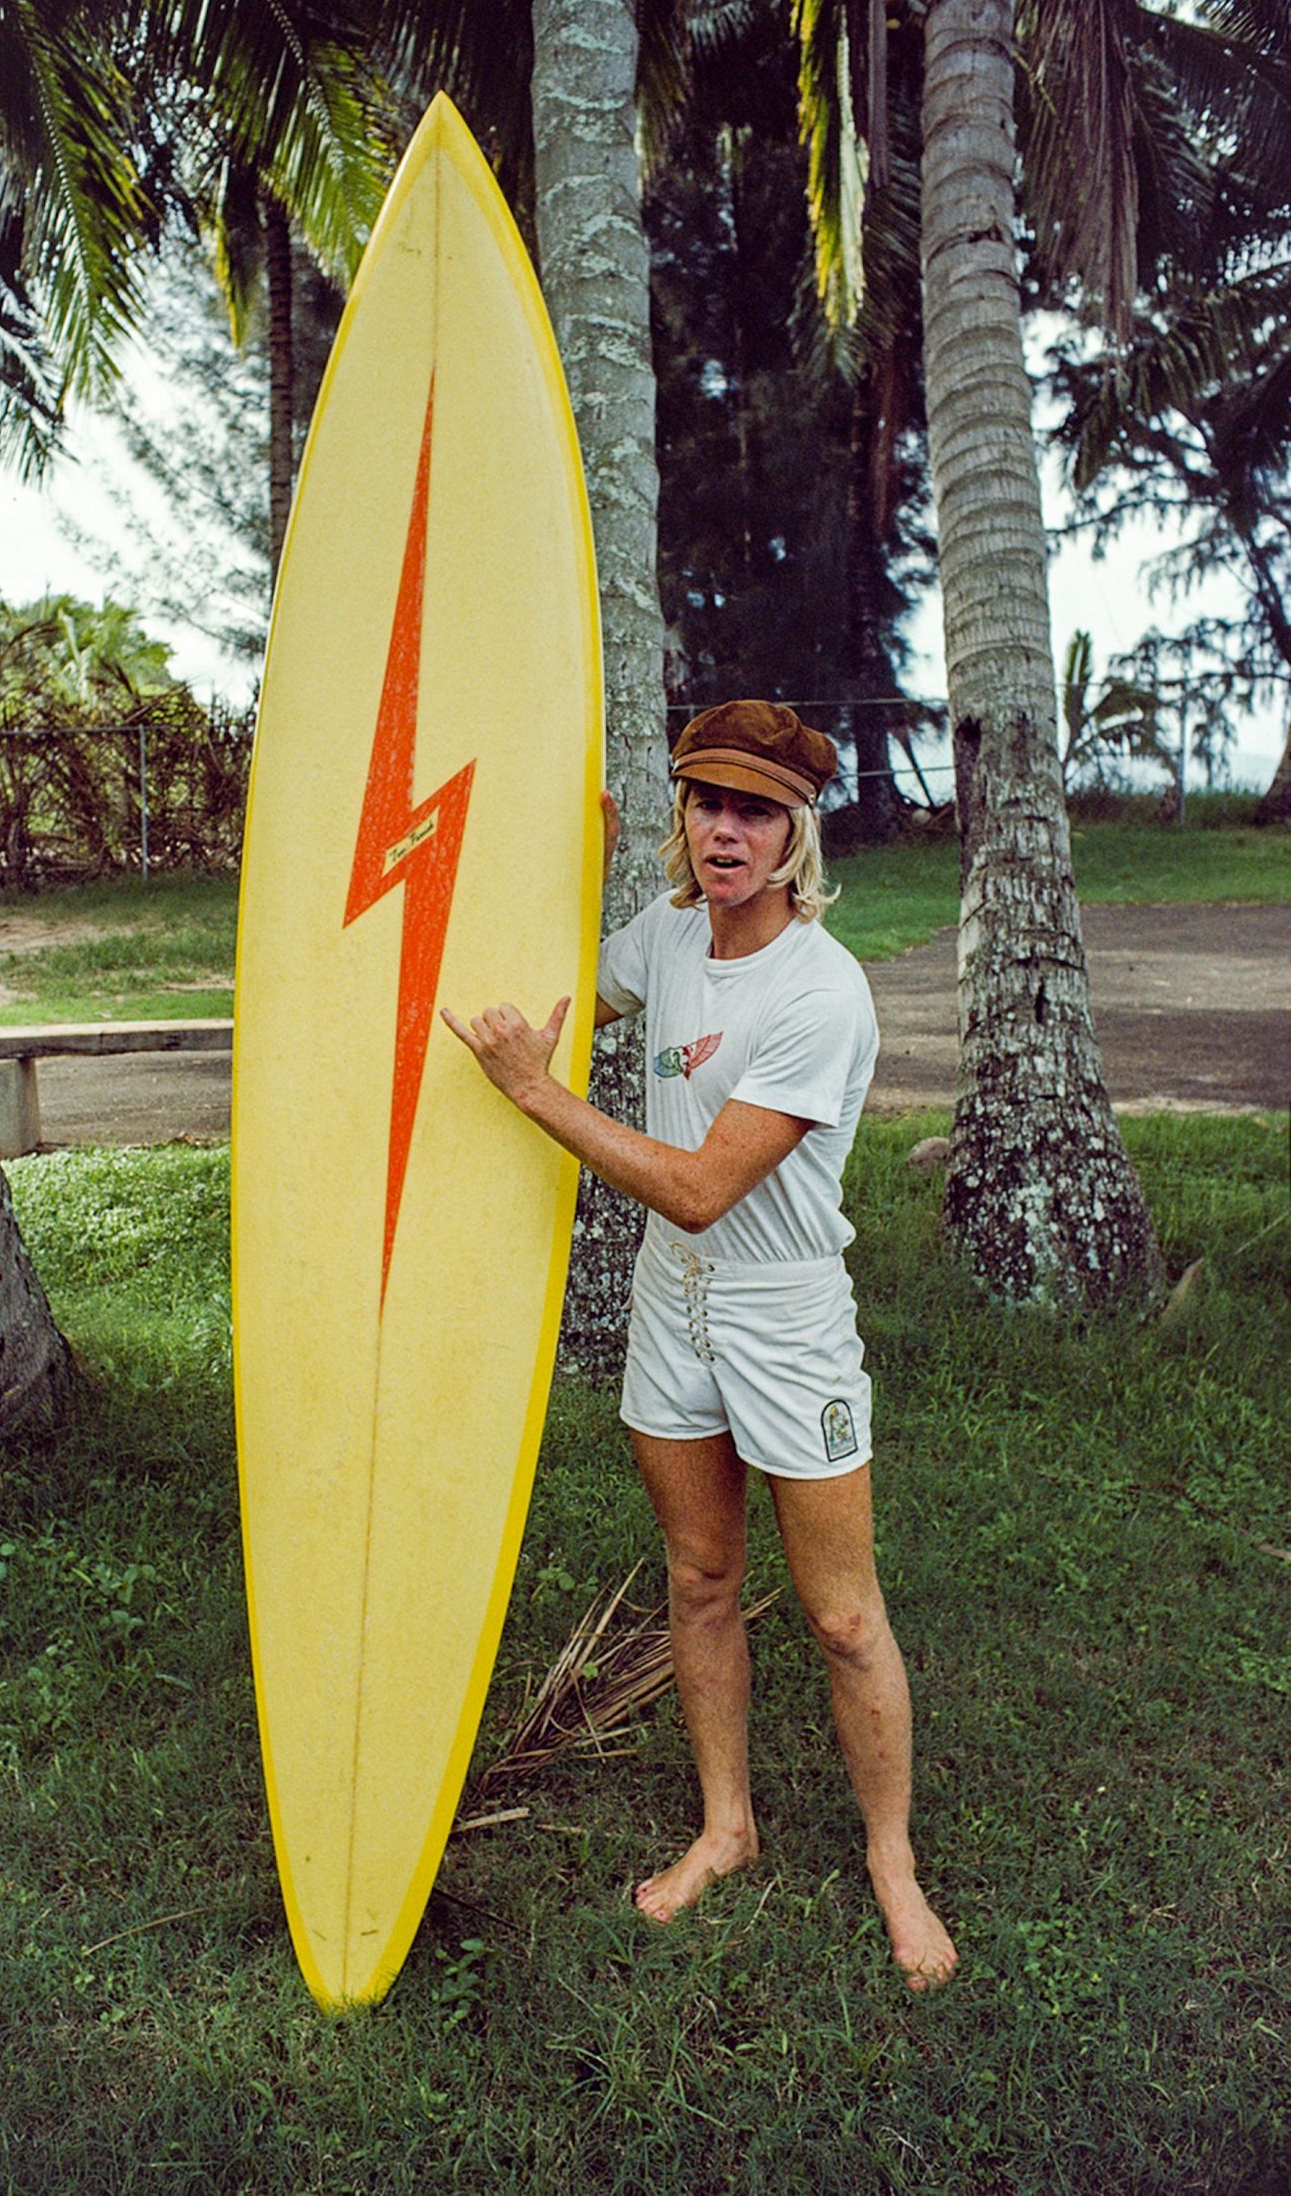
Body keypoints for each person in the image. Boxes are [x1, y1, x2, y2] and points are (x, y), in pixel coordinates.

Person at [440, 698, 956, 1991]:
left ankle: (892, 1862)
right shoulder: (664, 938)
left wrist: (535, 1093)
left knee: (840, 1616)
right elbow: (565, 987)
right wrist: (547, 856)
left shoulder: (820, 992)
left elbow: (700, 1187)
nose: (728, 831)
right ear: (685, 815)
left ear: (797, 836)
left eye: (757, 810)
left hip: (783, 1309)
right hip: (672, 1308)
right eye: (708, 802)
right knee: (700, 1581)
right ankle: (727, 1827)